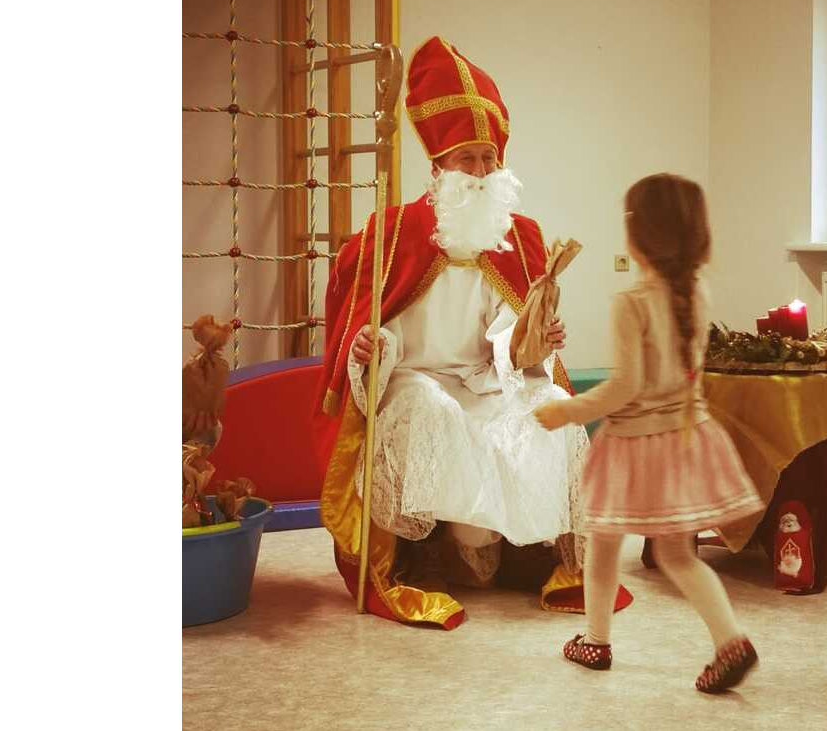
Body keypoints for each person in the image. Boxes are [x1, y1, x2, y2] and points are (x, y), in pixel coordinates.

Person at [312, 36, 631, 628]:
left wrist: (530, 344)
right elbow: (383, 325)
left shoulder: (517, 234)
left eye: (490, 158)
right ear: (440, 166)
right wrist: (371, 347)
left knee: (551, 403)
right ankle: (421, 553)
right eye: (468, 159)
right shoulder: (396, 232)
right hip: (417, 378)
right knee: (430, 411)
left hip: (484, 378)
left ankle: (526, 551)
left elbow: (507, 332)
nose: (483, 172)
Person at [533, 173, 762, 691]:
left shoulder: (631, 302)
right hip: (686, 434)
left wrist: (567, 411)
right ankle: (730, 640)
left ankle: (596, 639)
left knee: (603, 540)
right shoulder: (698, 291)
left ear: (638, 234)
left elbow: (623, 388)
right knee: (677, 554)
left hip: (633, 443)